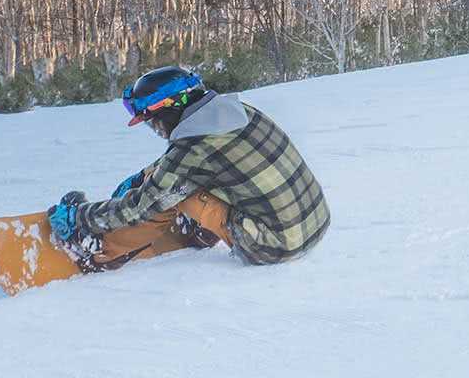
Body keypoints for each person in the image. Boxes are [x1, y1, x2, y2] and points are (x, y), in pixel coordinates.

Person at [45, 66, 331, 273]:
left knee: (175, 194)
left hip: (274, 246)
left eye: (150, 121)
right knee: (180, 181)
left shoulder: (192, 147)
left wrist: (81, 217)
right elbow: (198, 163)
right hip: (312, 224)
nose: (154, 129)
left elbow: (142, 206)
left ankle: (101, 252)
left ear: (167, 111)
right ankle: (199, 229)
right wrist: (146, 176)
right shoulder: (236, 113)